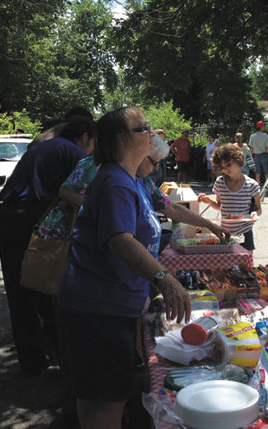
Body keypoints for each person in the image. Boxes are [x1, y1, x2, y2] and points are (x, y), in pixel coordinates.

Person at [57, 107, 197, 429]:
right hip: (100, 308)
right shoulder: (115, 181)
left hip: (102, 304)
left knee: (94, 394)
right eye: (142, 128)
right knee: (107, 399)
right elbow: (121, 240)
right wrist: (166, 280)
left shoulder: (127, 177)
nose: (151, 133)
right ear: (120, 139)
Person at [0, 116, 95, 377]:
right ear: (85, 137)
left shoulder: (43, 145)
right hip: (33, 220)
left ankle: (33, 361)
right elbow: (85, 192)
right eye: (93, 143)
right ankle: (64, 361)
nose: (93, 150)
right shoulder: (74, 153)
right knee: (52, 286)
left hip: (7, 218)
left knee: (19, 291)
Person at [198, 144, 261, 253]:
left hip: (245, 232)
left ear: (238, 161)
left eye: (229, 165)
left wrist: (255, 214)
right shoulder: (220, 182)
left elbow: (258, 209)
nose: (226, 169)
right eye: (223, 167)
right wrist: (207, 200)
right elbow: (218, 206)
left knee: (246, 264)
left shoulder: (252, 185)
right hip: (225, 232)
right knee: (226, 263)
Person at [248, 120, 268, 186]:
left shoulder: (252, 136)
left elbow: (251, 148)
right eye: (263, 126)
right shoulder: (265, 136)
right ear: (260, 127)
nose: (264, 127)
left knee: (257, 174)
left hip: (255, 156)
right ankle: (267, 188)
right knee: (266, 173)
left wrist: (251, 158)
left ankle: (257, 189)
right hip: (264, 155)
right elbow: (267, 148)